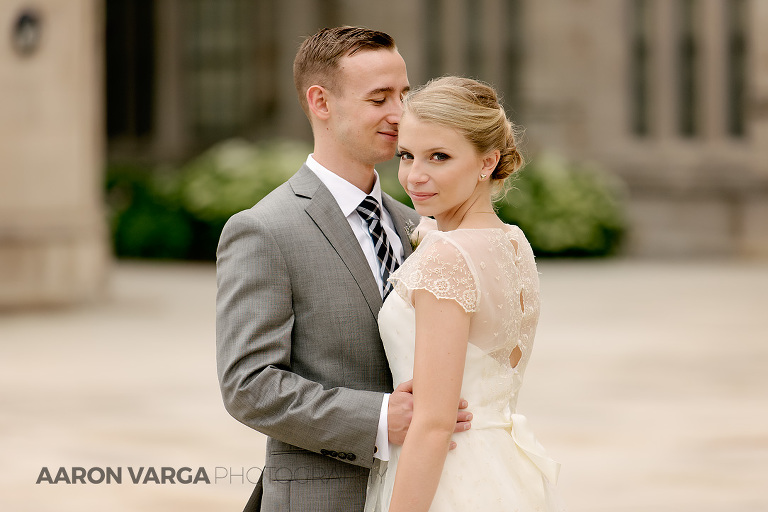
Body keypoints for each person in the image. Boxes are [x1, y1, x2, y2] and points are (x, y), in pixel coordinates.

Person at [215, 27, 470, 512]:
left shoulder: (419, 223)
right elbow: (248, 384)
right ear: (321, 103)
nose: (400, 114)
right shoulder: (264, 230)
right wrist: (375, 418)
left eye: (404, 94)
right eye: (379, 99)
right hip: (326, 497)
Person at [364, 76, 566, 512]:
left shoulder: (448, 258)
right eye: (406, 155)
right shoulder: (512, 242)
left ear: (487, 162)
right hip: (503, 468)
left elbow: (436, 424)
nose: (415, 175)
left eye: (439, 157)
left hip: (447, 478)